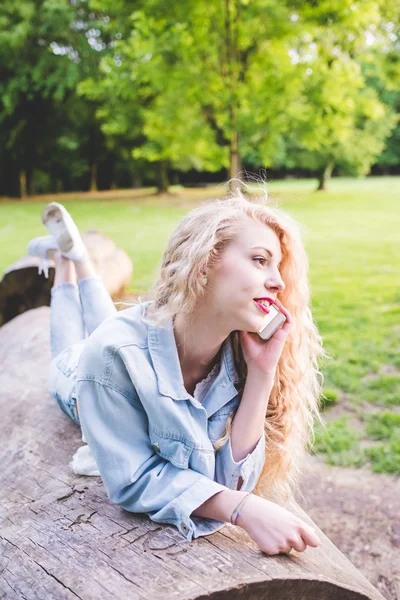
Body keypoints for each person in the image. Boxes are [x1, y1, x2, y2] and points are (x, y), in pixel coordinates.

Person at [27, 187, 323, 556]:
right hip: (78, 379)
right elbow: (132, 479)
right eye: (260, 260)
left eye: (277, 266)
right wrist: (241, 511)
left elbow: (227, 480)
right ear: (203, 261)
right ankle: (66, 263)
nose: (278, 281)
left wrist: (263, 372)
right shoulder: (110, 355)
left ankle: (77, 257)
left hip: (124, 344)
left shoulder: (239, 356)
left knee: (110, 326)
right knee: (69, 350)